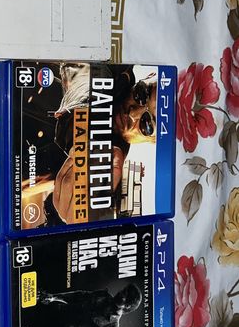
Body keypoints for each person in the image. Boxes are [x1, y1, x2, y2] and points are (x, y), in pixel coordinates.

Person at [43, 64, 157, 224]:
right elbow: (85, 80)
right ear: (148, 77)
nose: (132, 113)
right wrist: (85, 145)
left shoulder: (114, 178)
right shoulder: (113, 68)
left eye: (147, 124)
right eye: (142, 94)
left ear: (152, 141)